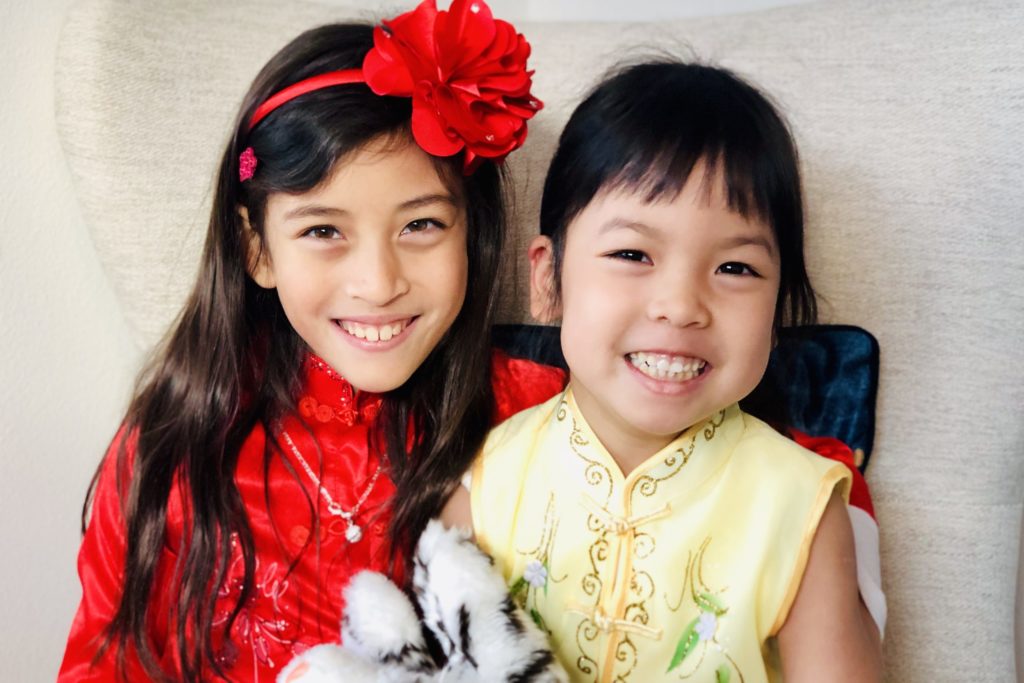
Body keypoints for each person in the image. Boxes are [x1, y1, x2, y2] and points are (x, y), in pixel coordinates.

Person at [57, 2, 562, 680]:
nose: (378, 283)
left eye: (421, 226)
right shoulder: (174, 444)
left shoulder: (541, 416)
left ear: (474, 232)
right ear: (257, 250)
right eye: (324, 231)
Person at [443, 61, 884, 681]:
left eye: (735, 268)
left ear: (779, 305)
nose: (679, 306)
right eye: (631, 253)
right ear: (548, 279)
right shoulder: (483, 484)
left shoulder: (803, 508)